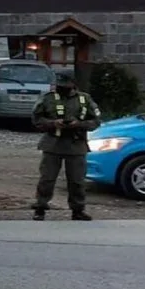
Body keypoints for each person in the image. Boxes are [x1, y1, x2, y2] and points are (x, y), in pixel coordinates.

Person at [31, 72, 101, 221]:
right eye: (59, 85)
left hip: (76, 144)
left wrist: (79, 124)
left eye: (65, 85)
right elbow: (36, 119)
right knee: (47, 179)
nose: (61, 88)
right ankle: (40, 208)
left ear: (73, 84)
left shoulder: (84, 99)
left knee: (77, 180)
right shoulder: (48, 98)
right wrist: (53, 123)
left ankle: (78, 210)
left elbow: (95, 121)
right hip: (53, 144)